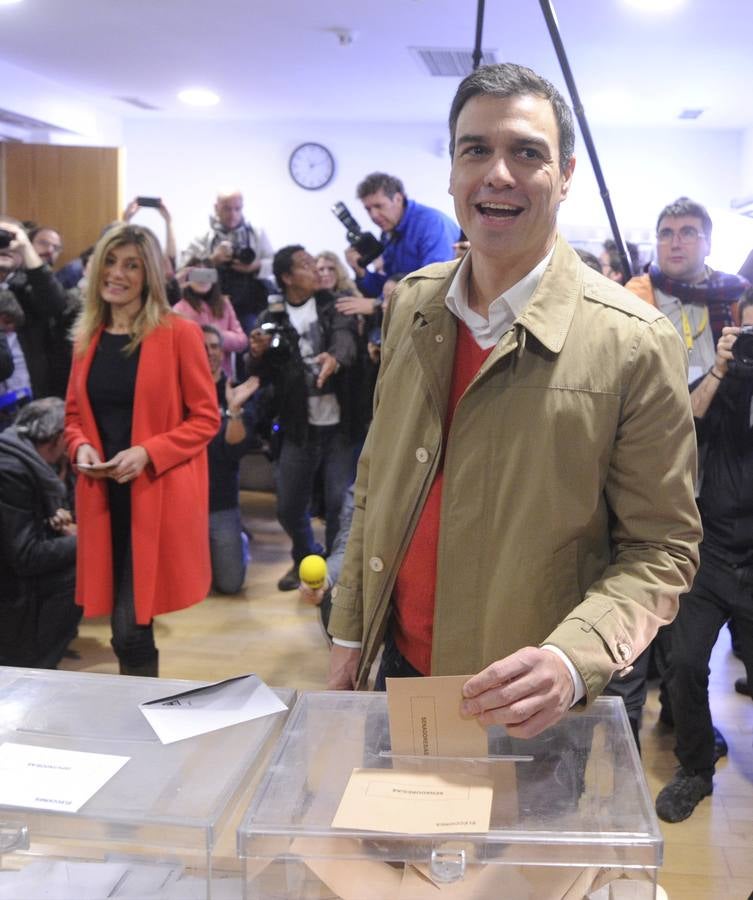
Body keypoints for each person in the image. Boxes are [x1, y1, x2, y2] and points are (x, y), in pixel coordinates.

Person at [326, 63, 701, 745]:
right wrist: (350, 629)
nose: (497, 172)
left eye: (526, 152)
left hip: (534, 700)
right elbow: (376, 480)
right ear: (449, 171)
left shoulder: (633, 341)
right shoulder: (412, 304)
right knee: (402, 845)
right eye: (476, 149)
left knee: (513, 855)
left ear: (564, 175)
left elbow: (662, 548)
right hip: (401, 666)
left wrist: (570, 658)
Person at [64, 223, 219, 677]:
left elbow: (206, 418)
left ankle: (145, 721)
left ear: (149, 274)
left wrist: (149, 452)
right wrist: (81, 448)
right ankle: (142, 718)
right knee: (124, 627)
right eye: (110, 262)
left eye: (131, 265)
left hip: (153, 497)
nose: (117, 273)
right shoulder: (86, 337)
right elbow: (74, 416)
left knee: (130, 630)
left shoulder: (179, 334)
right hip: (102, 499)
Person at [653, 291, 753, 822]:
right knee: (686, 664)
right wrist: (718, 369)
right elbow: (683, 418)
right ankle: (695, 767)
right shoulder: (720, 382)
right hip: (709, 549)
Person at [247, 245, 357, 591]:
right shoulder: (272, 314)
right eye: (306, 265)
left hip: (341, 426)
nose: (316, 270)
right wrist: (258, 354)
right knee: (289, 505)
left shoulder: (332, 303)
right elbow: (258, 371)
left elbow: (346, 340)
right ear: (287, 277)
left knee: (341, 505)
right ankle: (305, 557)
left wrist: (334, 359)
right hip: (298, 426)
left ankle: (334, 577)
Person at [0, 397, 81, 668]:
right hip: (10, 591)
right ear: (58, 437)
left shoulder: (18, 458)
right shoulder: (11, 472)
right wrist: (88, 542)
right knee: (83, 571)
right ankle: (34, 666)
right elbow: (26, 555)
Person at [202, 324, 260, 594]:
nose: (210, 352)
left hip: (221, 503)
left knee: (229, 584)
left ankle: (239, 540)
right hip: (183, 504)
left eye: (214, 346)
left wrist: (234, 410)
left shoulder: (235, 390)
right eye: (203, 347)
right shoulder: (174, 389)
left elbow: (235, 451)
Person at [346, 172, 460, 298]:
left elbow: (434, 284)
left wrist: (376, 305)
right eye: (368, 209)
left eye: (378, 206)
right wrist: (361, 271)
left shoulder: (432, 224)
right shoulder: (388, 232)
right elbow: (387, 286)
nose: (373, 216)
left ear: (398, 199)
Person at [183, 189, 274, 336]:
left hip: (249, 305)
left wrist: (253, 267)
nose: (233, 214)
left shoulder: (256, 234)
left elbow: (274, 266)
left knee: (252, 341)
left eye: (237, 209)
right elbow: (186, 276)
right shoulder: (201, 238)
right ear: (216, 208)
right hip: (211, 307)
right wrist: (213, 260)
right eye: (227, 208)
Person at [0, 217, 68, 398]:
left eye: (10, 239)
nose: (5, 246)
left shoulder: (31, 287)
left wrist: (25, 247)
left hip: (30, 398)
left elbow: (56, 304)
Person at [174, 260, 247, 376]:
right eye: (197, 274)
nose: (202, 279)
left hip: (223, 377)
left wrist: (217, 335)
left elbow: (242, 341)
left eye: (207, 275)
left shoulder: (224, 304)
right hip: (191, 375)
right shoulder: (179, 308)